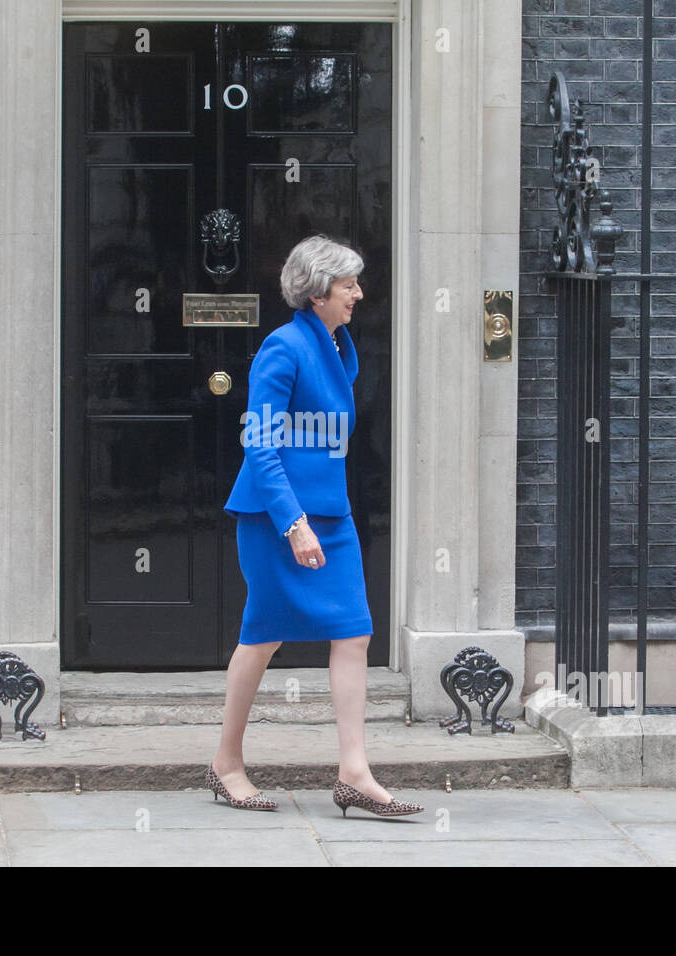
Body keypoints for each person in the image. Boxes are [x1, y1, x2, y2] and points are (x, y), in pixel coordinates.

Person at [207, 235, 423, 818]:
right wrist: (294, 523)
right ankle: (227, 764)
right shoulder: (284, 347)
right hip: (279, 518)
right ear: (318, 288)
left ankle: (354, 772)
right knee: (263, 635)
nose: (358, 292)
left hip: (333, 514)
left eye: (356, 282)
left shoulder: (335, 345)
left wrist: (321, 516)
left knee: (353, 630)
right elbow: (260, 445)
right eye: (348, 283)